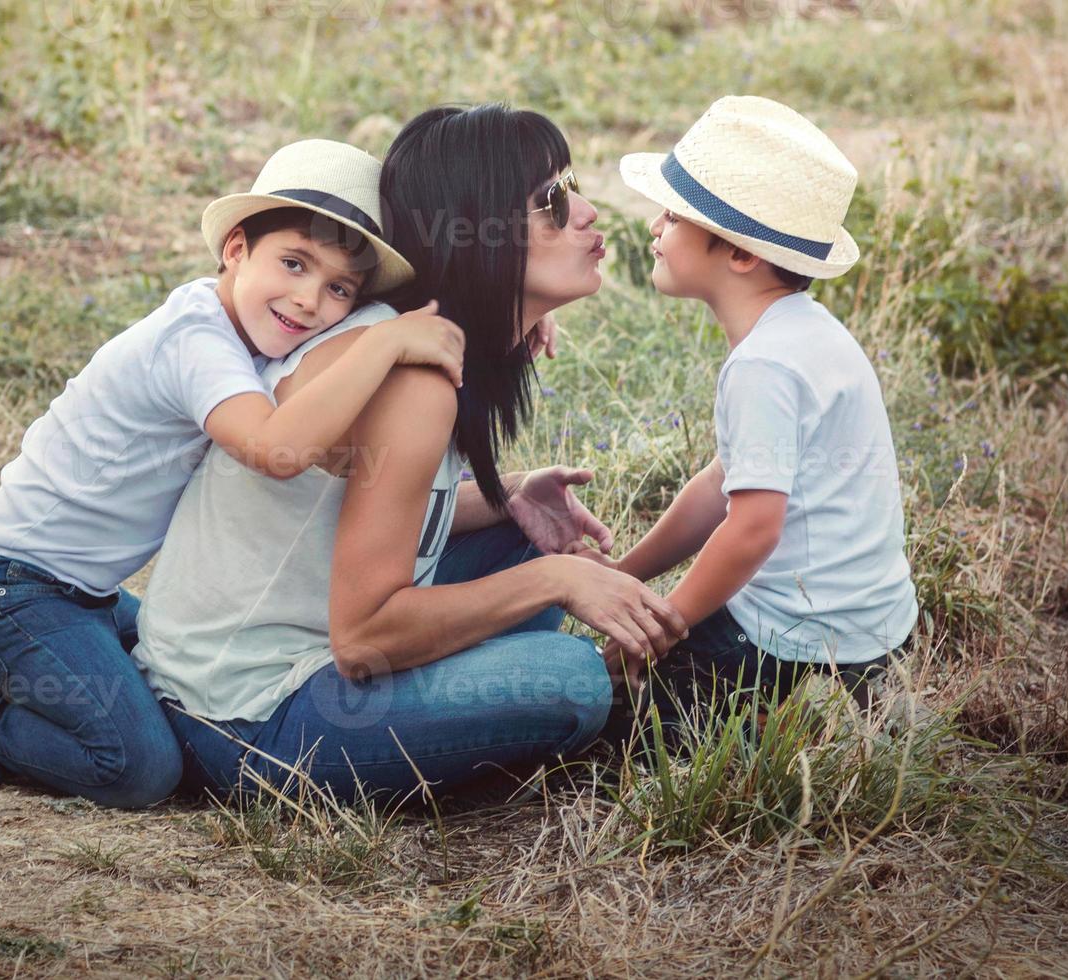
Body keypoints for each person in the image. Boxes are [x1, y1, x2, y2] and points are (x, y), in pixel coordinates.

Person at [0, 139, 469, 808]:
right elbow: (279, 452)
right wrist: (388, 340)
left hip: (89, 598)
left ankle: (33, 674)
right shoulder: (195, 341)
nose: (310, 299)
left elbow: (331, 447)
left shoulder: (254, 339)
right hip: (5, 584)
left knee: (176, 679)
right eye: (293, 263)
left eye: (339, 287)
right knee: (135, 767)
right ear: (234, 250)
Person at [134, 104, 688, 805]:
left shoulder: (421, 338)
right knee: (569, 678)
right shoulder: (411, 377)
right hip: (242, 719)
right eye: (551, 202)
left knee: (520, 540)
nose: (583, 211)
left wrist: (507, 494)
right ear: (480, 235)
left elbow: (366, 515)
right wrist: (555, 582)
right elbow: (363, 638)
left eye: (570, 187)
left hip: (268, 660)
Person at [597, 95, 917, 734]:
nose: (655, 228)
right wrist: (624, 575)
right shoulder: (808, 332)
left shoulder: (762, 366)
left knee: (612, 721)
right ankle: (851, 699)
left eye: (673, 216)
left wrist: (660, 629)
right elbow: (720, 486)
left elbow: (752, 530)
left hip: (795, 639)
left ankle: (807, 711)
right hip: (875, 628)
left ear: (741, 255)